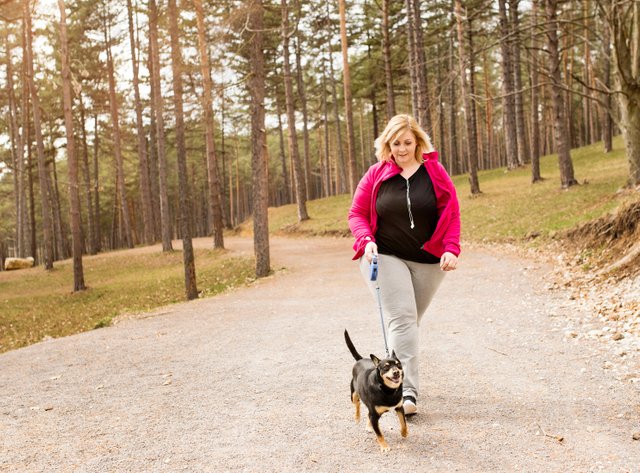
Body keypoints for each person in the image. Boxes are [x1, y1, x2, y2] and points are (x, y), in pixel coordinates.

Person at [348, 114, 461, 416]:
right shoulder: (376, 174)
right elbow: (356, 213)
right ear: (387, 143)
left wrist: (451, 249)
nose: (401, 149)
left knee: (409, 322)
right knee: (401, 320)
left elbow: (452, 213)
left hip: (428, 262)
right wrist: (366, 239)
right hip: (384, 255)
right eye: (395, 143)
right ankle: (405, 393)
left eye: (408, 143)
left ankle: (389, 374)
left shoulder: (434, 173)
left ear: (418, 142)